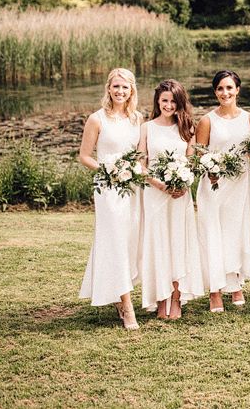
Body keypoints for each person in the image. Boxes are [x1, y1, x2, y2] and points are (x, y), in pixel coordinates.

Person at [78, 68, 143, 330]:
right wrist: (108, 170)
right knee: (115, 239)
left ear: (132, 90)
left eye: (124, 88)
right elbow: (84, 156)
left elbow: (139, 155)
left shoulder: (137, 118)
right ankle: (127, 307)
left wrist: (135, 171)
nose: (119, 92)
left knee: (129, 241)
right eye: (115, 87)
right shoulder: (97, 119)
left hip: (132, 187)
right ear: (108, 88)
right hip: (108, 188)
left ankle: (118, 292)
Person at [138, 79, 204, 319]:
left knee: (178, 243)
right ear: (157, 101)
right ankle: (161, 297)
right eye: (164, 100)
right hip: (155, 194)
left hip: (179, 196)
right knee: (159, 244)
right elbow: (141, 164)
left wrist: (183, 182)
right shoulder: (147, 128)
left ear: (180, 102)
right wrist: (157, 183)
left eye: (173, 101)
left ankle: (176, 297)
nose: (168, 105)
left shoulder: (187, 128)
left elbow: (191, 163)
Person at [195, 70, 250, 313]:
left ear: (238, 90)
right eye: (220, 88)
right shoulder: (207, 120)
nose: (225, 93)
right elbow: (199, 153)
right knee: (213, 234)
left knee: (234, 234)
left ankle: (235, 283)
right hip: (214, 185)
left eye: (229, 88)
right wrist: (210, 167)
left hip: (239, 185)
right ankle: (215, 291)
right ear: (215, 91)